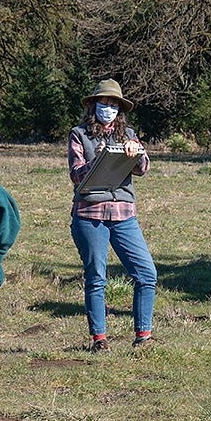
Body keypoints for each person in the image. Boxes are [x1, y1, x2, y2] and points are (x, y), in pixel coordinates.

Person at [68, 79, 157, 352]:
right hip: (89, 213)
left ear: (121, 109)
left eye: (114, 104)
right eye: (104, 103)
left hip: (124, 213)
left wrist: (136, 152)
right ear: (94, 105)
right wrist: (102, 158)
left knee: (146, 273)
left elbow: (144, 169)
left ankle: (144, 336)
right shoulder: (78, 134)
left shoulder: (128, 133)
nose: (109, 108)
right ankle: (99, 340)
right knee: (96, 276)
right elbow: (76, 173)